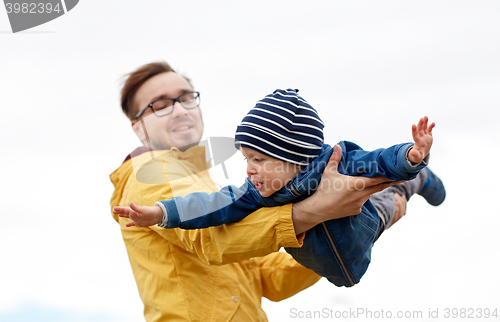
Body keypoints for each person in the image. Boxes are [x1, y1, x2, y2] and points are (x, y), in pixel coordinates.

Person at [110, 62, 406, 321]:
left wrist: (345, 227)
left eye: (187, 98)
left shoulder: (205, 184)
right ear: (138, 127)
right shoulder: (147, 170)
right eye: (160, 105)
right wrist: (317, 209)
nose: (178, 109)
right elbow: (210, 240)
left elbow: (270, 278)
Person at [114, 88, 446, 287]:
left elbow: (379, 160)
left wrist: (411, 155)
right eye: (245, 159)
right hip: (336, 266)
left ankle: (419, 178)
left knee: (391, 191)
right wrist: (160, 212)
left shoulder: (338, 161)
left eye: (258, 159)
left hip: (366, 225)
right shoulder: (254, 193)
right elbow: (209, 205)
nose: (249, 170)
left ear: (295, 155)